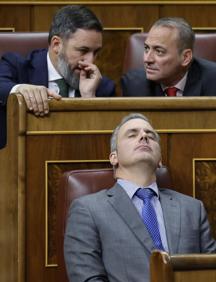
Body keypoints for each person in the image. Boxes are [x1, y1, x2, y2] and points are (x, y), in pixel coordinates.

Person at [64, 113, 216, 282]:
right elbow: (88, 278)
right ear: (114, 157)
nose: (144, 136)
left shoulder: (192, 208)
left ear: (159, 160)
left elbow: (211, 270)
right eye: (132, 134)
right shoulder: (88, 209)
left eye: (150, 135)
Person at [0, 5, 115, 149]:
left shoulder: (102, 88)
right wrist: (20, 89)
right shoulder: (17, 67)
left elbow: (102, 147)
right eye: (83, 50)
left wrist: (89, 99)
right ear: (56, 45)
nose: (91, 61)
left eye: (96, 52)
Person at [121, 17, 216, 97]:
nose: (147, 59)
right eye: (146, 49)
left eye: (159, 51)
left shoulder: (213, 81)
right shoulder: (133, 85)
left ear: (186, 57)